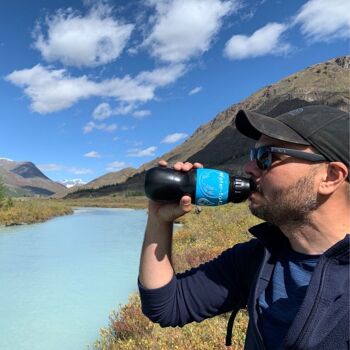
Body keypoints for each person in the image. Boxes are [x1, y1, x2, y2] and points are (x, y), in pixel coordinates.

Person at [138, 105, 350, 349]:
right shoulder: (261, 257)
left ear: (331, 176)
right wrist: (159, 219)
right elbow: (167, 305)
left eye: (266, 158)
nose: (249, 168)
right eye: (253, 156)